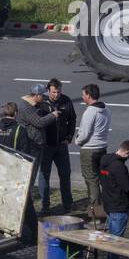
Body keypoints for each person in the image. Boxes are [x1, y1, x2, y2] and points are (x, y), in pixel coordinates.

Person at [16, 84, 61, 214]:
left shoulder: (34, 103)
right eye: (42, 96)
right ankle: (25, 207)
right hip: (31, 145)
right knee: (30, 177)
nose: (44, 98)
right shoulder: (25, 107)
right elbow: (39, 122)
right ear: (36, 96)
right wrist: (53, 115)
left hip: (37, 144)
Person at [98, 140, 129, 259]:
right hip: (119, 206)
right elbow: (126, 187)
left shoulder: (105, 160)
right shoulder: (119, 167)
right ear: (127, 153)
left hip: (109, 204)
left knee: (111, 236)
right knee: (116, 240)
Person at [41, 78, 76, 215]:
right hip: (46, 146)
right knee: (44, 176)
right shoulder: (42, 103)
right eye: (54, 92)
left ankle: (68, 204)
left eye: (59, 92)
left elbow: (72, 119)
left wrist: (69, 136)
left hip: (61, 145)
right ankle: (45, 206)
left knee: (65, 175)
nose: (56, 95)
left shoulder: (66, 100)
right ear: (48, 90)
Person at [74, 84, 110, 219]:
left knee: (91, 180)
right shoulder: (106, 109)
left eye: (83, 94)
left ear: (88, 95)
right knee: (100, 178)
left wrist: (77, 141)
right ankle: (101, 205)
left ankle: (95, 211)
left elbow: (84, 133)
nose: (82, 96)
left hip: (89, 149)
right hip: (102, 147)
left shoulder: (90, 111)